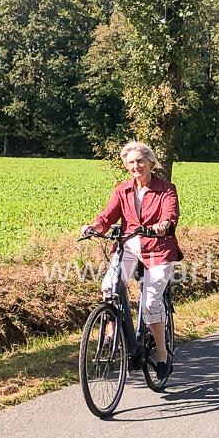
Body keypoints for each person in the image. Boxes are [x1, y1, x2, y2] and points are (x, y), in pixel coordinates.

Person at [80, 141, 181, 381]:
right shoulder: (122, 190)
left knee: (149, 304)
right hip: (128, 246)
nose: (136, 166)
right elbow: (107, 215)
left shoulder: (166, 189)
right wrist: (93, 227)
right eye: (131, 162)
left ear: (150, 162)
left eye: (140, 161)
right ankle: (113, 331)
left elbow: (170, 215)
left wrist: (162, 226)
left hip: (158, 249)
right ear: (126, 166)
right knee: (109, 286)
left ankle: (163, 354)